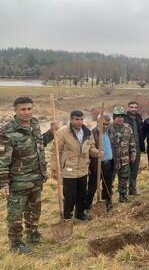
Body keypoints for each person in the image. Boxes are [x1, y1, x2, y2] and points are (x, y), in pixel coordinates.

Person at [0, 97, 54, 253]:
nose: (27, 112)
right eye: (23, 109)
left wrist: (51, 133)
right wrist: (3, 183)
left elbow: (39, 144)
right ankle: (16, 243)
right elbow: (2, 160)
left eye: (29, 109)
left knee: (34, 210)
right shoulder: (7, 132)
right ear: (15, 111)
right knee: (15, 214)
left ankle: (32, 234)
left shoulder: (35, 125)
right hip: (18, 181)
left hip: (36, 178)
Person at [52, 110, 102, 221]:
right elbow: (56, 152)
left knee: (81, 194)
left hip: (83, 169)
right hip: (69, 170)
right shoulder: (62, 132)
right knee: (70, 196)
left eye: (81, 119)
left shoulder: (87, 132)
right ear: (71, 119)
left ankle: (79, 214)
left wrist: (96, 152)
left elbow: (91, 147)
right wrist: (55, 170)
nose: (79, 122)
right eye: (76, 119)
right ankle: (67, 216)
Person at [84, 114, 119, 212]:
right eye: (103, 124)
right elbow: (88, 151)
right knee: (92, 186)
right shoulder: (91, 133)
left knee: (108, 185)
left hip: (109, 163)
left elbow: (116, 147)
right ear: (98, 122)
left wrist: (117, 160)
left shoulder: (111, 132)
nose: (106, 126)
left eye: (108, 124)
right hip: (96, 165)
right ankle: (87, 206)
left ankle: (107, 203)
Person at [111, 106, 136, 202]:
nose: (120, 118)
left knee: (124, 178)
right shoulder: (109, 128)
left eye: (121, 116)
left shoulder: (128, 127)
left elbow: (132, 142)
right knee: (110, 180)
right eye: (117, 116)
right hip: (112, 160)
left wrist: (133, 154)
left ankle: (122, 196)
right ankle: (108, 197)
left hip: (125, 159)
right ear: (114, 117)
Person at [124, 101, 145, 195]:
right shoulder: (124, 117)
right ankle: (123, 192)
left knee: (134, 170)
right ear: (128, 108)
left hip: (137, 147)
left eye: (135, 107)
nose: (133, 109)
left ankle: (132, 190)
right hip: (125, 148)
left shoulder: (139, 118)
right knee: (125, 170)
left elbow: (142, 133)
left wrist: (142, 146)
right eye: (131, 107)